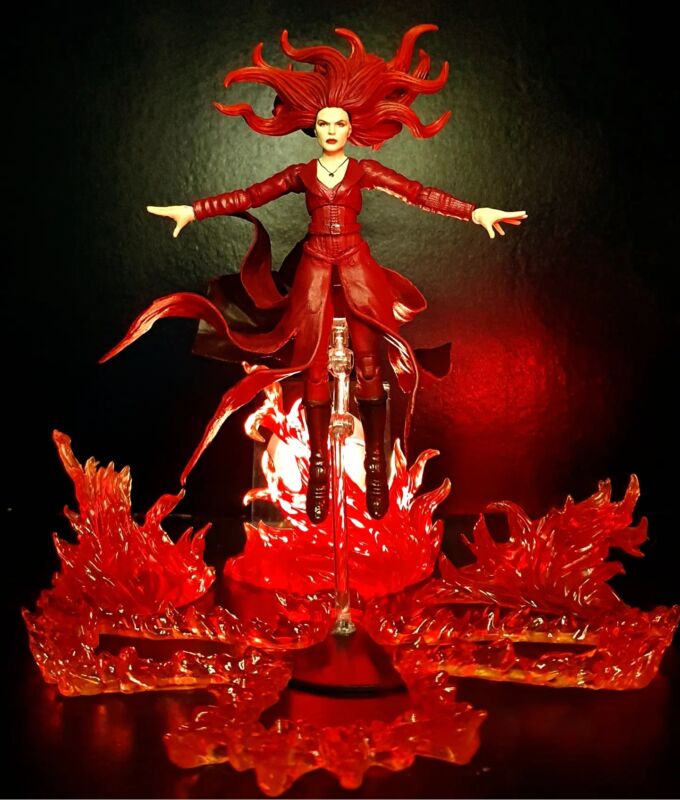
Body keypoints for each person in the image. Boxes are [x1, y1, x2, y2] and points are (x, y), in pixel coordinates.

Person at [102, 25, 526, 524]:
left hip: (358, 270)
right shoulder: (302, 174)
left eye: (339, 123)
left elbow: (417, 192)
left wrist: (474, 212)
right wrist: (194, 211)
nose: (330, 130)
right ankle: (320, 468)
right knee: (313, 369)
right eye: (323, 122)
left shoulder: (362, 171)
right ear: (313, 127)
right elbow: (251, 195)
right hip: (315, 270)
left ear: (351, 128)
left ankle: (374, 463)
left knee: (370, 366)